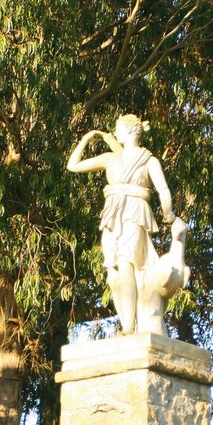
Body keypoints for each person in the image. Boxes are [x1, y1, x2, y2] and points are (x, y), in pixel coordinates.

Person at [67, 114, 177, 334]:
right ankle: (129, 321)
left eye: (117, 129)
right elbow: (73, 165)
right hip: (112, 213)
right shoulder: (110, 158)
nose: (115, 133)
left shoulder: (148, 160)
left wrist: (169, 214)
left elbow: (163, 190)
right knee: (114, 270)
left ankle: (129, 325)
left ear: (128, 131)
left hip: (135, 211)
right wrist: (85, 140)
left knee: (126, 262)